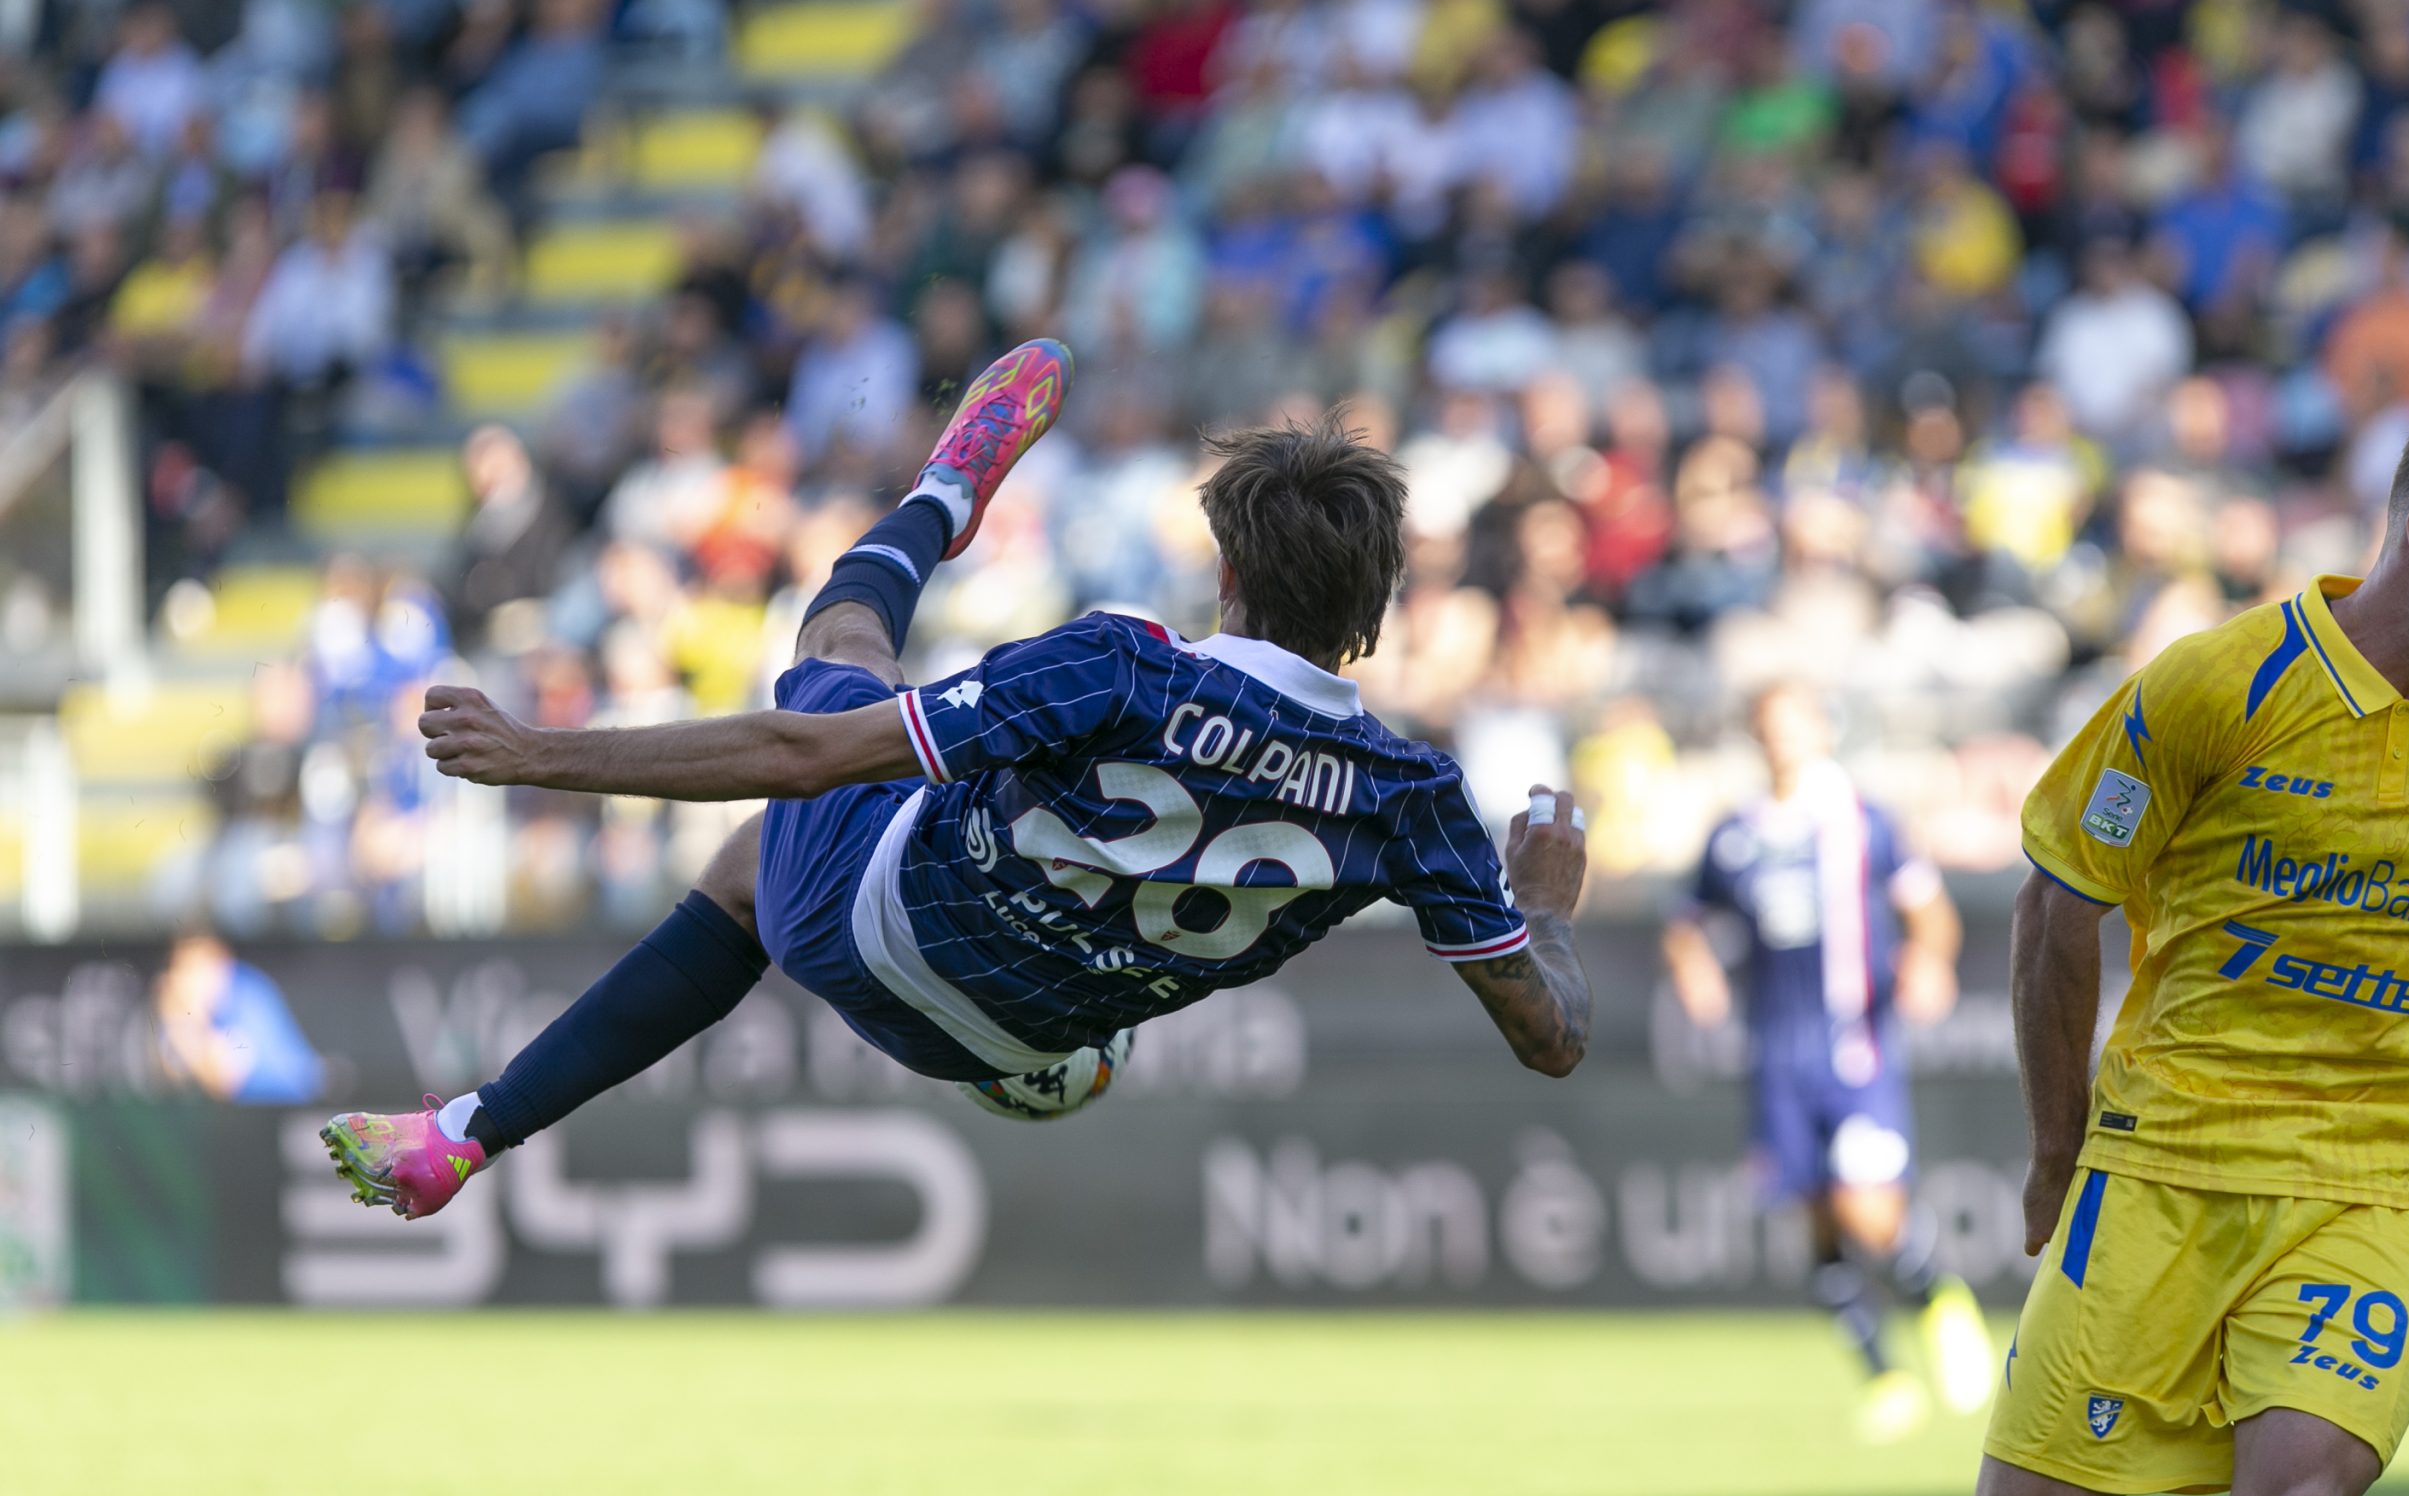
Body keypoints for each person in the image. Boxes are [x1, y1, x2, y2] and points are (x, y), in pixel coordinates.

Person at [321, 341, 1592, 1218]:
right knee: (772, 857)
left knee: (835, 654)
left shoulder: (1125, 667)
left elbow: (796, 753)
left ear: (1227, 579)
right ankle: (1051, 1065)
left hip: (874, 931)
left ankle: (944, 486)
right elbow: (1551, 1040)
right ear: (1375, 608)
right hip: (1031, 1024)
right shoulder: (1413, 796)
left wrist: (542, 754)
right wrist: (1541, 909)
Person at [1877, 404, 2409, 1496]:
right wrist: (2053, 1152)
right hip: (2163, 1172)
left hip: (2368, 1188)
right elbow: (2056, 910)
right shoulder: (2218, 684)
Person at [1662, 681, 1993, 1443]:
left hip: (1856, 1051)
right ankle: (1885, 1377)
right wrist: (1695, 967)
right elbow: (1684, 921)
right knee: (1815, 1221)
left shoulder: (1862, 822)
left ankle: (1939, 1298)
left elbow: (1929, 911)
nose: (1782, 740)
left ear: (1822, 732)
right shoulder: (1736, 834)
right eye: (1769, 728)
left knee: (1866, 1210)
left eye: (1794, 726)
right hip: (1776, 1056)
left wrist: (1931, 961)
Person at [156, 932, 325, 1105]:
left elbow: (222, 1081)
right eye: (182, 971)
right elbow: (172, 1076)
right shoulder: (204, 1005)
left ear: (222, 967)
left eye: (195, 970)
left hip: (294, 1107)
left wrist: (181, 1017)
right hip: (253, 1112)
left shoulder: (247, 995)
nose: (187, 982)